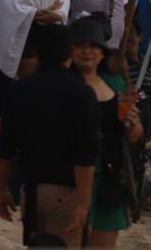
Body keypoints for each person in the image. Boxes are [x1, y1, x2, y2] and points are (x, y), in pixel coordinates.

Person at [0, 23, 99, 247]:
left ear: (37, 53)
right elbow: (85, 156)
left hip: (30, 192)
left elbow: (4, 147)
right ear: (70, 52)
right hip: (65, 193)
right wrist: (83, 203)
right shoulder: (82, 93)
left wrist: (0, 189)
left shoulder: (19, 90)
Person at [70, 14, 142, 245]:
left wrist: (132, 124)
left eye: (93, 46)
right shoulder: (64, 83)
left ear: (103, 51)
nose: (87, 51)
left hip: (109, 177)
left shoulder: (116, 83)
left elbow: (133, 134)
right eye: (80, 45)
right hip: (72, 178)